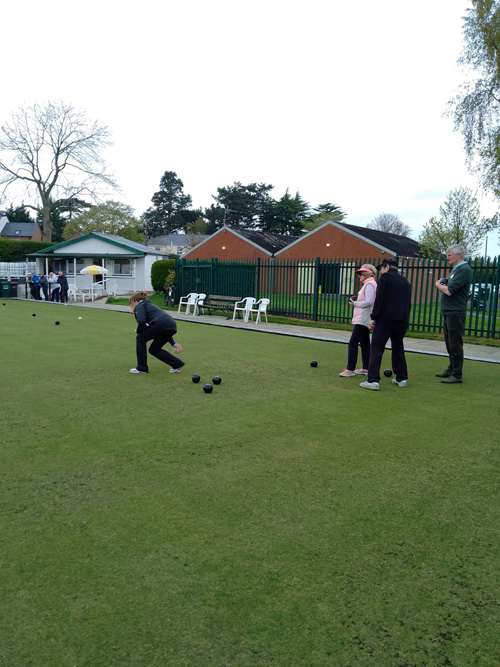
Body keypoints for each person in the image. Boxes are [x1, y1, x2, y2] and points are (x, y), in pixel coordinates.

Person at [360, 258, 411, 391]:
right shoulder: (404, 280)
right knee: (398, 347)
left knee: (376, 348)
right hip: (402, 320)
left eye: (381, 268)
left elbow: (380, 299)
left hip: (386, 319)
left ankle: (372, 380)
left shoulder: (385, 278)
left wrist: (374, 318)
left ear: (387, 267)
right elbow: (407, 302)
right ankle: (401, 378)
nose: (380, 271)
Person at [434, 244, 473, 384]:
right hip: (449, 311)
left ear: (458, 255)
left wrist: (438, 284)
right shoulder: (456, 270)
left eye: (450, 255)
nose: (447, 257)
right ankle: (451, 369)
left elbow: (450, 291)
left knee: (455, 343)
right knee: (449, 342)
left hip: (455, 312)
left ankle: (457, 374)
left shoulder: (464, 269)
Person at [129, 291, 185, 374]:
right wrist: (173, 343)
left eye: (130, 304)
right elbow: (163, 327)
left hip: (160, 325)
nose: (130, 307)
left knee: (140, 338)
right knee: (154, 349)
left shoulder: (140, 305)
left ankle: (142, 368)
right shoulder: (150, 305)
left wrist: (138, 331)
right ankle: (177, 364)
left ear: (134, 301)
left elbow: (142, 322)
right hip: (171, 325)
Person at [339, 264, 378, 377]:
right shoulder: (368, 284)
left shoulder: (369, 284)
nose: (359, 276)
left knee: (353, 342)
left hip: (363, 318)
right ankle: (366, 368)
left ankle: (350, 369)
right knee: (365, 343)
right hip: (364, 317)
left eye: (360, 274)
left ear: (367, 273)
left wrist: (355, 303)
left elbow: (369, 302)